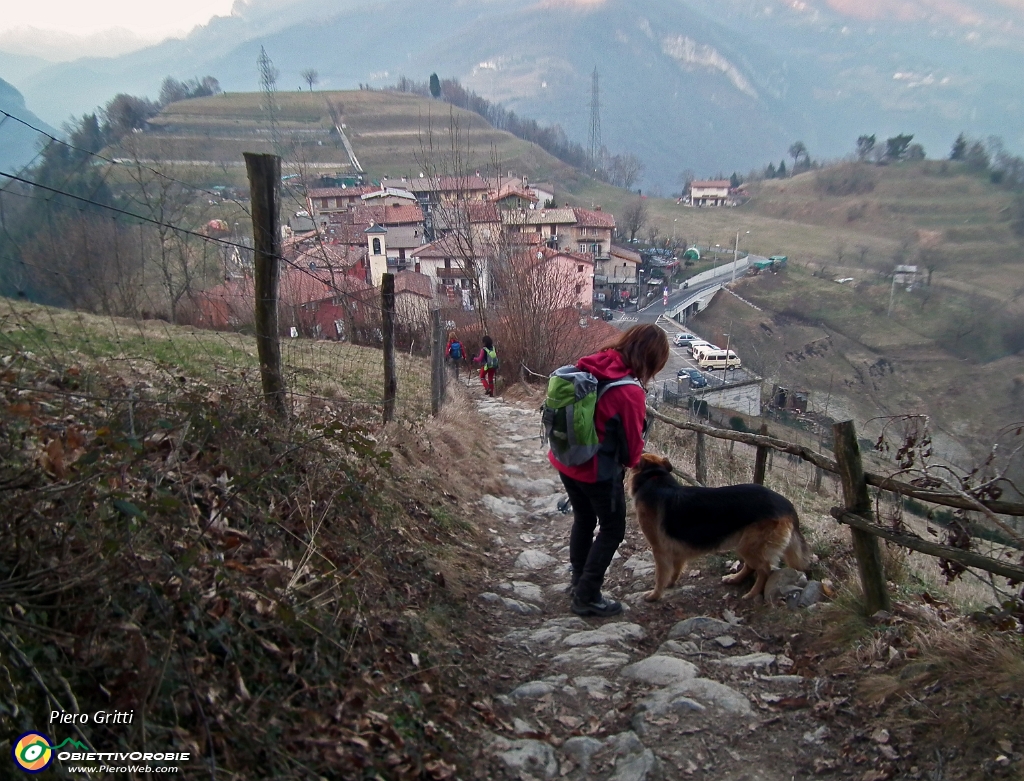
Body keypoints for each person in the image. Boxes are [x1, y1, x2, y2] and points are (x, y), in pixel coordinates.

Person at [549, 323, 669, 617]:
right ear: (652, 359)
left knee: (584, 519)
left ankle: (578, 581)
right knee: (613, 529)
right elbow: (630, 452)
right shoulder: (630, 392)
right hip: (597, 473)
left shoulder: (593, 365)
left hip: (567, 462)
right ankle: (587, 595)